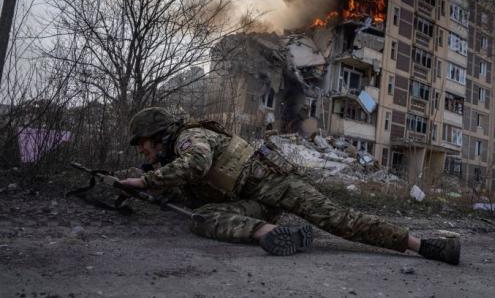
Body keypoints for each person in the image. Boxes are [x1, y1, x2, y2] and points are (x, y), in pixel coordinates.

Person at [118, 107, 461, 264]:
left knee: (340, 220)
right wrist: (146, 184)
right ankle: (269, 233)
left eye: (143, 143)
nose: (143, 150)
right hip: (256, 204)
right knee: (203, 216)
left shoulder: (188, 138)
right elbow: (194, 188)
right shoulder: (172, 153)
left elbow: (197, 163)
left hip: (278, 185)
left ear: (157, 134)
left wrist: (146, 181)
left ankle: (426, 246)